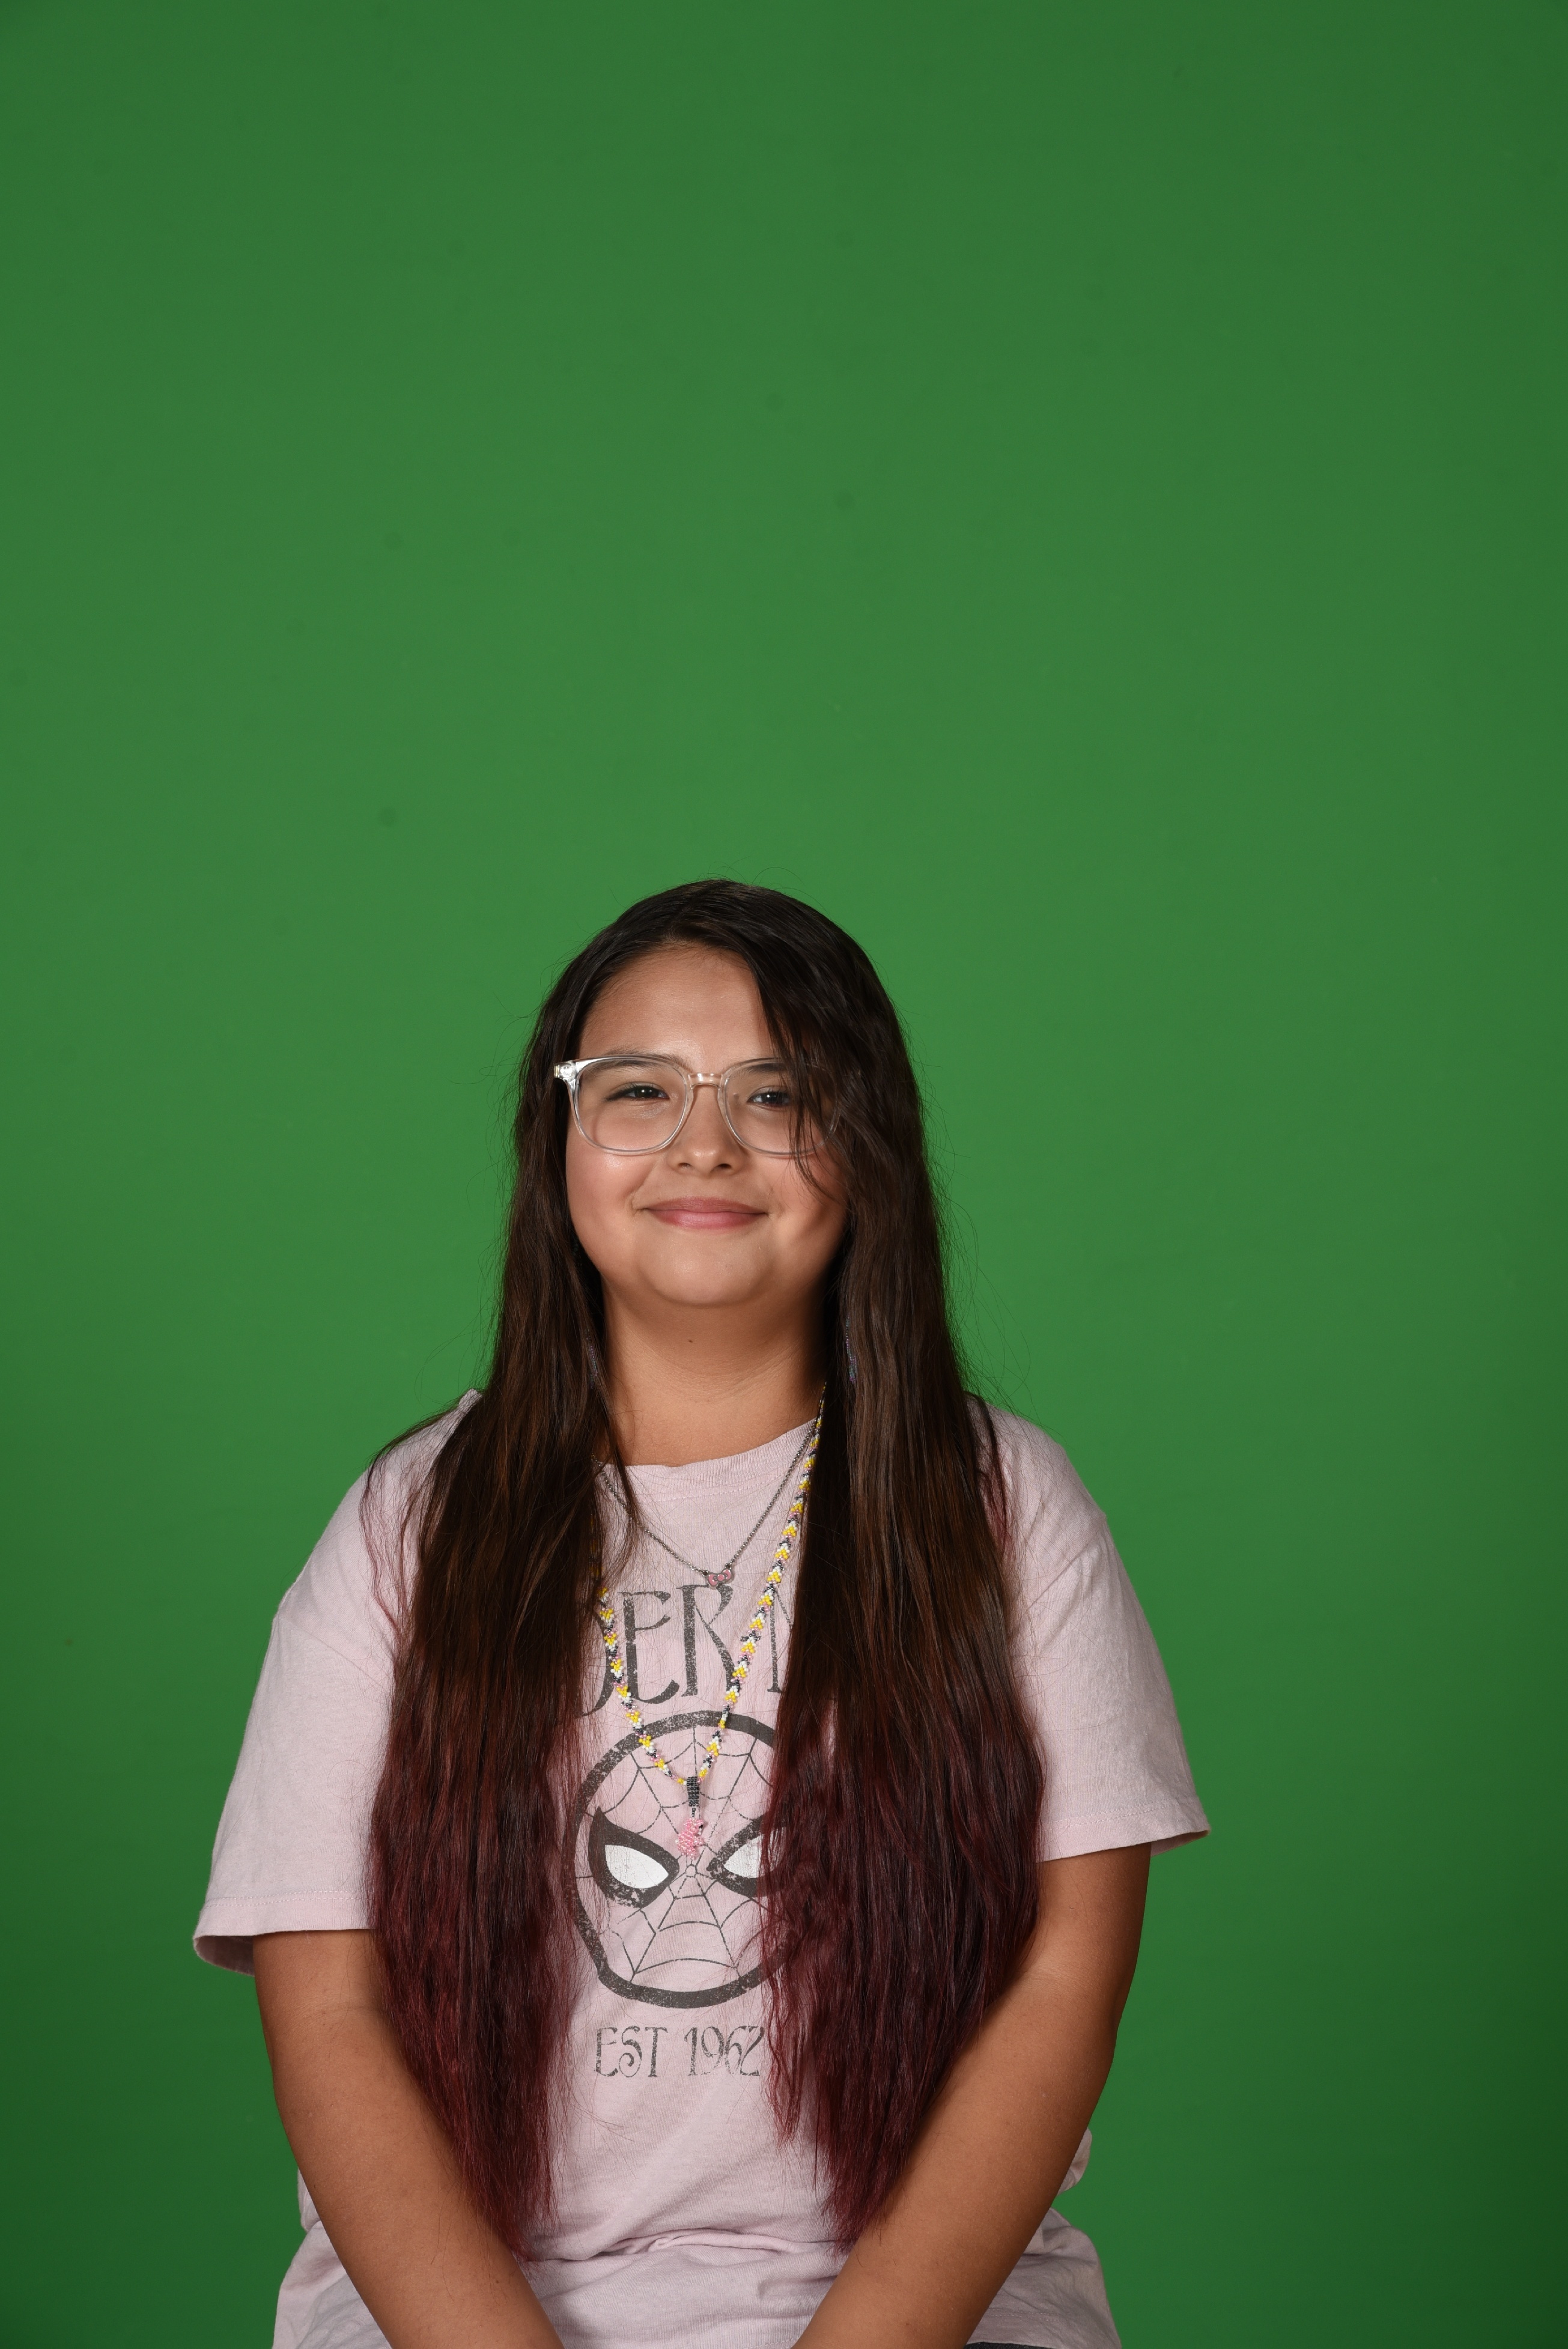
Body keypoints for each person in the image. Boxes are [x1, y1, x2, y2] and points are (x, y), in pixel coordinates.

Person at [196, 878, 1208, 2349]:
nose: (705, 1142)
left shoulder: (1004, 1505)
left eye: (777, 1092)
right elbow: (329, 2011)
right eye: (639, 1089)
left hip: (923, 2311)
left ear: (868, 1143)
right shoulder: (404, 1526)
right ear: (557, 1142)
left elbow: (1065, 1979)